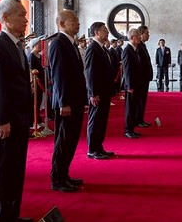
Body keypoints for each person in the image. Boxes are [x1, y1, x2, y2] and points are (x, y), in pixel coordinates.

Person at [0, 0, 33, 222]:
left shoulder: (15, 44)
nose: (25, 20)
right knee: (4, 173)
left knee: (16, 170)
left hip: (18, 118)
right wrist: (1, 119)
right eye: (21, 15)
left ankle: (11, 214)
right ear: (5, 18)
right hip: (5, 122)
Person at [48, 10, 86, 192]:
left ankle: (65, 174)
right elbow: (58, 75)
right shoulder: (58, 43)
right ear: (62, 24)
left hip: (75, 100)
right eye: (74, 20)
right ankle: (57, 179)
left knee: (71, 140)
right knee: (63, 141)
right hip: (66, 103)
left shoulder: (71, 43)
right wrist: (63, 102)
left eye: (78, 20)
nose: (77, 23)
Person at [85, 22, 116, 160]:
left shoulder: (102, 48)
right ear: (97, 33)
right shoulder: (92, 48)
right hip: (97, 92)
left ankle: (99, 146)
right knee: (95, 120)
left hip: (105, 91)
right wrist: (93, 93)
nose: (107, 32)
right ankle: (92, 149)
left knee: (102, 120)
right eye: (104, 30)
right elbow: (90, 72)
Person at [121, 28, 143, 139]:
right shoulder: (127, 50)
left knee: (134, 107)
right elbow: (127, 69)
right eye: (138, 36)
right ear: (132, 37)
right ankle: (128, 130)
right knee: (130, 107)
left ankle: (132, 128)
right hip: (131, 85)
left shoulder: (134, 49)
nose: (140, 38)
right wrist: (129, 85)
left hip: (136, 83)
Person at [135, 25, 153, 127]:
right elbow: (140, 64)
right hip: (141, 78)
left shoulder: (143, 45)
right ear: (141, 35)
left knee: (143, 99)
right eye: (146, 33)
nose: (148, 35)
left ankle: (140, 119)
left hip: (145, 78)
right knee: (140, 100)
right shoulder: (138, 46)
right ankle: (138, 119)